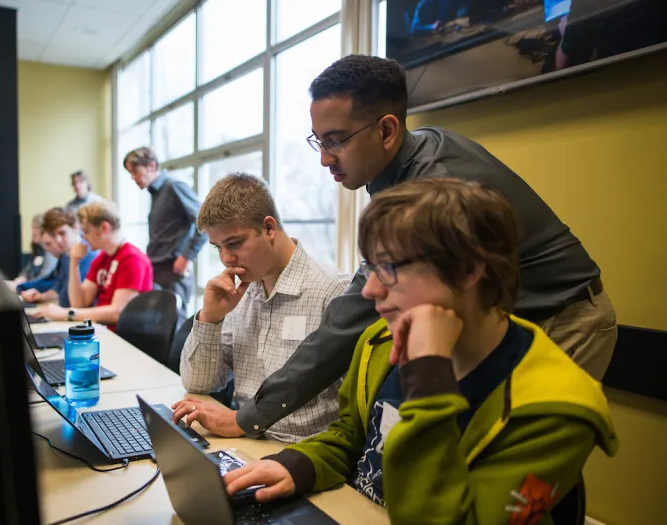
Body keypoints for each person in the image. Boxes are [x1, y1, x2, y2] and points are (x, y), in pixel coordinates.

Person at [195, 54, 616, 439]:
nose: (324, 158)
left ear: (387, 130)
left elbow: (352, 316)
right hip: (511, 319)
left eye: (336, 141)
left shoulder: (432, 185)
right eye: (318, 141)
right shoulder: (402, 165)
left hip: (563, 316)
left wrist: (250, 417)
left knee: (513, 462)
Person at [223, 178, 618, 525]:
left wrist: (429, 376)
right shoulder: (380, 340)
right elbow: (353, 437)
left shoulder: (557, 409)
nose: (370, 290)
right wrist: (299, 465)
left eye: (389, 268)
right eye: (370, 267)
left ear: (467, 270)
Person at [171, 173, 351, 444]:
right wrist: (210, 318)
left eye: (234, 243)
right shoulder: (239, 292)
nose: (226, 258)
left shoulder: (334, 290)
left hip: (302, 449)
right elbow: (199, 384)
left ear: (269, 228)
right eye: (218, 247)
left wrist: (237, 421)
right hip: (244, 440)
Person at [35, 201, 153, 328]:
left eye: (86, 231)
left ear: (104, 228)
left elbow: (117, 312)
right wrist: (74, 263)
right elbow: (79, 304)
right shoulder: (102, 259)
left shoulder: (132, 259)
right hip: (102, 330)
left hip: (120, 335)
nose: (84, 237)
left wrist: (67, 313)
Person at [123, 147, 206, 324]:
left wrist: (187, 256)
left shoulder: (174, 187)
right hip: (157, 268)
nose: (132, 177)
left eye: (135, 171)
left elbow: (205, 221)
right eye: (130, 173)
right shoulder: (156, 193)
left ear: (152, 166)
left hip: (173, 271)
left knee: (173, 327)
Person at [22, 207, 99, 308]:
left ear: (76, 227)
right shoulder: (65, 255)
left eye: (62, 233)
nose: (58, 240)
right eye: (54, 235)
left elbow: (71, 301)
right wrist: (42, 296)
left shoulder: (88, 254)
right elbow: (58, 289)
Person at [7, 213, 58, 291]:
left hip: (36, 290)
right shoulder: (38, 250)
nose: (33, 232)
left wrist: (22, 286)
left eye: (36, 228)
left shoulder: (50, 252)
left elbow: (44, 278)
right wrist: (21, 278)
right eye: (32, 228)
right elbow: (28, 270)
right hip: (28, 288)